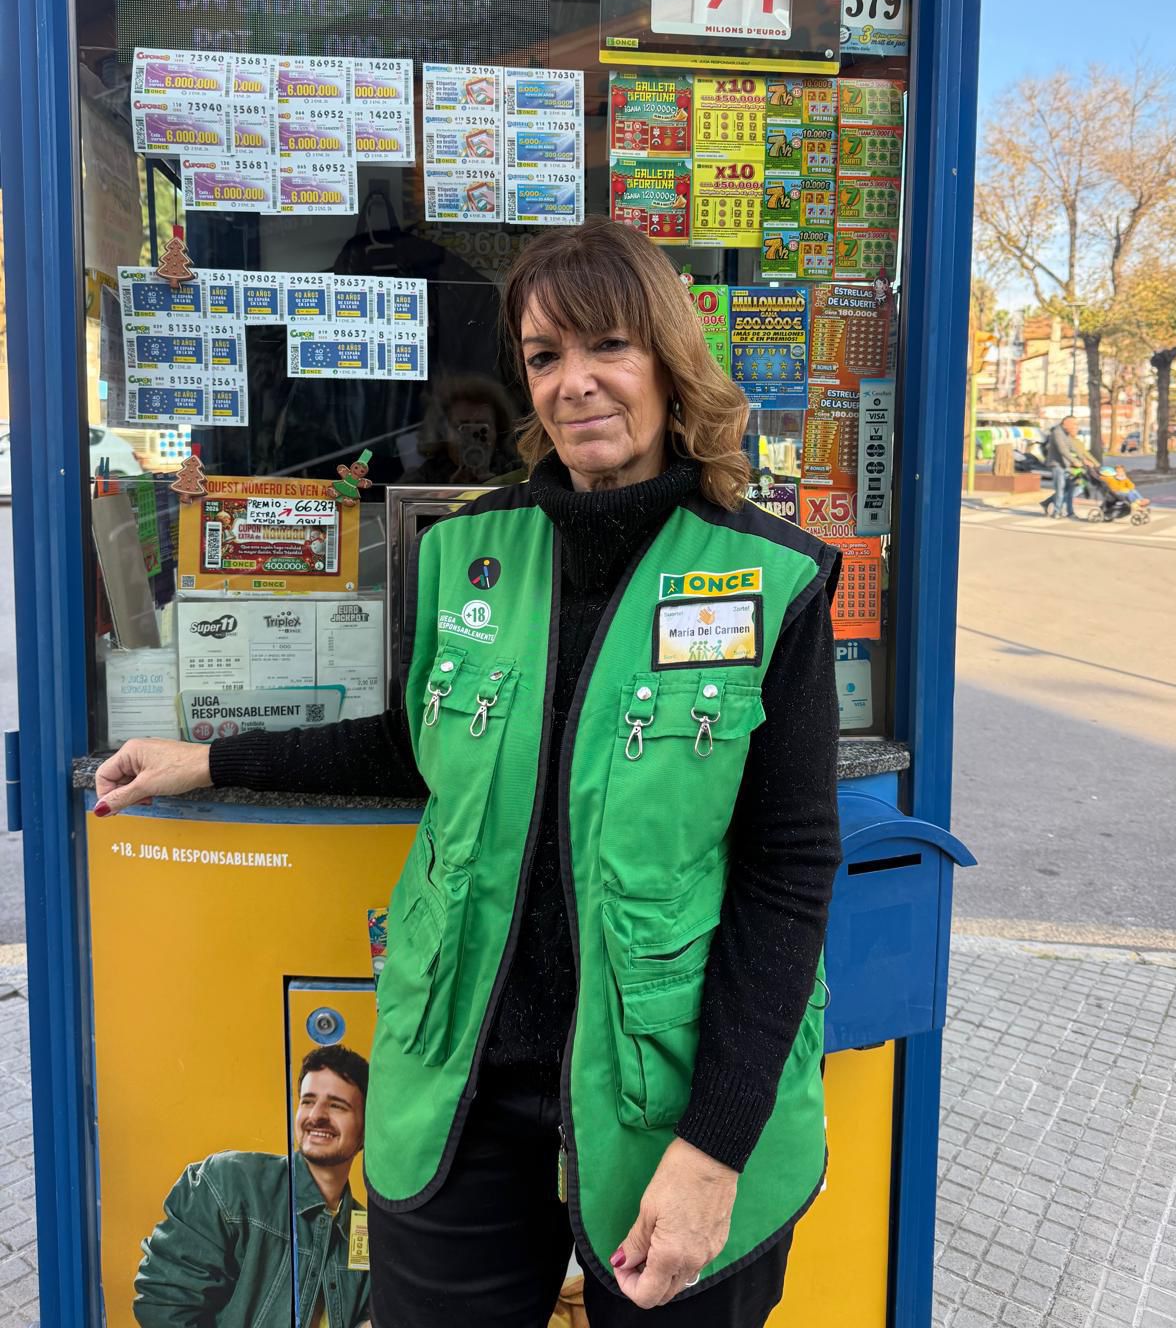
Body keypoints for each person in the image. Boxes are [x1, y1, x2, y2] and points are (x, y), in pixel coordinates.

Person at [96, 217, 844, 1328]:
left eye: (608, 347)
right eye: (545, 356)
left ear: (670, 359)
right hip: (463, 1081)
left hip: (664, 1095)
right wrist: (205, 756)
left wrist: (714, 1146)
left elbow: (788, 872)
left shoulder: (771, 577)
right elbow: (416, 743)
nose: (575, 383)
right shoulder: (468, 550)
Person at [133, 1044, 371, 1328]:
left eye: (336, 1105)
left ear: (366, 1129)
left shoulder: (367, 1231)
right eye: (307, 1101)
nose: (316, 1115)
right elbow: (164, 1306)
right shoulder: (229, 1183)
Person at [1041, 415, 1095, 519]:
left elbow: (1072, 448)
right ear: (1066, 423)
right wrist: (1075, 461)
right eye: (1074, 424)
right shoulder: (1057, 432)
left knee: (1070, 489)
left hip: (1065, 465)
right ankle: (1057, 512)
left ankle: (1069, 512)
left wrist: (1084, 459)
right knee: (1060, 489)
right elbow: (1063, 450)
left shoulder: (1066, 434)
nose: (1075, 426)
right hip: (1057, 465)